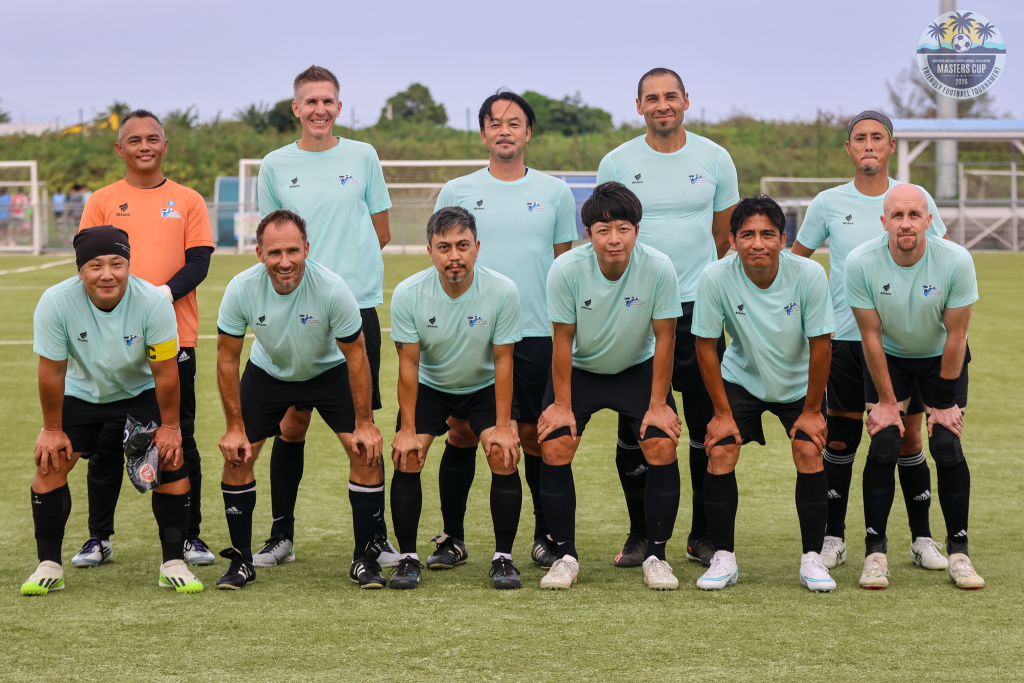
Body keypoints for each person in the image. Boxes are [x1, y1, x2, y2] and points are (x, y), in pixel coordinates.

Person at [792, 110, 949, 571]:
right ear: (848, 148)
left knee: (907, 437)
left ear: (891, 146)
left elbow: (942, 257)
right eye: (859, 138)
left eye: (877, 137)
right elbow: (796, 263)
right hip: (844, 339)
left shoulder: (915, 198)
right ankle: (833, 538)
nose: (868, 145)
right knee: (841, 439)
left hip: (904, 345)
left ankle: (922, 539)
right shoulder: (827, 202)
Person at [257, 65, 399, 567]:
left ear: (339, 106)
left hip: (355, 306)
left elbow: (381, 230)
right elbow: (271, 236)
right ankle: (281, 536)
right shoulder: (274, 164)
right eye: (311, 101)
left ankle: (376, 539)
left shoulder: (363, 156)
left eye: (328, 101)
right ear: (296, 108)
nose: (320, 109)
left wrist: (342, 279)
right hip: (294, 309)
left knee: (362, 428)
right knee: (291, 424)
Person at [596, 68, 738, 568]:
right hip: (637, 306)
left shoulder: (715, 158)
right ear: (638, 106)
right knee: (638, 426)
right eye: (652, 98)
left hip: (698, 308)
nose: (662, 105)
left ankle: (702, 535)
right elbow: (609, 231)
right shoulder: (617, 161)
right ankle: (641, 534)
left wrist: (696, 284)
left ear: (686, 101)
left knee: (704, 427)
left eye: (670, 96)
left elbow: (723, 235)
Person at [431, 90, 577, 570]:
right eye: (495, 123)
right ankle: (452, 538)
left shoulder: (555, 192)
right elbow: (443, 260)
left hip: (534, 333)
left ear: (528, 132)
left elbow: (563, 269)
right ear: (483, 133)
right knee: (461, 433)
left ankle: (544, 536)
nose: (504, 130)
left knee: (534, 436)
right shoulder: (456, 190)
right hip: (471, 333)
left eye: (514, 123)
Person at [22, 226, 202, 595]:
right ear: (80, 271)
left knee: (171, 460)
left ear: (128, 266)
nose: (107, 274)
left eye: (117, 264)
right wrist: (52, 430)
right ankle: (48, 565)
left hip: (139, 391)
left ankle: (173, 563)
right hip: (82, 393)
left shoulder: (153, 302)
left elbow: (165, 372)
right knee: (50, 463)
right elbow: (52, 371)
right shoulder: (55, 302)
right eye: (96, 265)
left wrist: (170, 427)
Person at [73, 109, 216, 569]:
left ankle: (190, 537)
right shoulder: (102, 200)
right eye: (134, 140)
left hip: (174, 336)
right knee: (106, 441)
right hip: (112, 341)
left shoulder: (188, 200)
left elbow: (199, 262)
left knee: (180, 438)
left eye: (152, 138)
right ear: (120, 149)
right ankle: (98, 538)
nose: (144, 146)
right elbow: (91, 266)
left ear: (165, 145)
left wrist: (157, 298)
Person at [214, 209, 385, 589]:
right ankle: (242, 560)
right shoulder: (241, 288)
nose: (285, 261)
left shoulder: (332, 288)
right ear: (259, 253)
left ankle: (365, 558)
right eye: (274, 252)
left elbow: (357, 355)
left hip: (328, 371)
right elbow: (227, 358)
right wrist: (234, 427)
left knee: (365, 450)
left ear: (306, 248)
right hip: (269, 372)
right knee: (238, 455)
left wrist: (364, 422)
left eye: (292, 250)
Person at [537, 182, 682, 591]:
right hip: (581, 370)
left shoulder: (659, 267)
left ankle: (657, 556)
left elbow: (666, 338)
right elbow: (562, 339)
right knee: (556, 443)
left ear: (637, 229)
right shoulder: (566, 269)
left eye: (623, 229)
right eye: (603, 230)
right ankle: (565, 556)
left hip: (636, 368)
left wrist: (658, 404)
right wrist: (561, 404)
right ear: (588, 234)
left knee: (661, 443)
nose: (614, 239)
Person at [692, 195, 836, 592]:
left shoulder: (809, 274)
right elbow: (705, 347)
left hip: (799, 384)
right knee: (720, 450)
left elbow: (821, 346)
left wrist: (812, 411)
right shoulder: (715, 277)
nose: (758, 243)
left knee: (809, 449)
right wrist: (722, 414)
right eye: (747, 235)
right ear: (732, 240)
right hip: (743, 378)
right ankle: (724, 557)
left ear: (783, 239)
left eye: (767, 234)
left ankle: (812, 558)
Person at [845, 183, 984, 590]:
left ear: (928, 220)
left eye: (914, 215)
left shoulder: (956, 259)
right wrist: (887, 403)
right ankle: (875, 553)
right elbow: (870, 336)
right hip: (889, 356)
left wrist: (944, 402)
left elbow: (957, 335)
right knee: (886, 440)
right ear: (884, 221)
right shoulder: (860, 261)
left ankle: (959, 553)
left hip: (942, 356)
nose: (906, 224)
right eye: (897, 216)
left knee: (946, 443)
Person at [389, 206, 524, 590]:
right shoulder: (408, 293)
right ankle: (408, 558)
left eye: (462, 245)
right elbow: (409, 366)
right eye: (444, 247)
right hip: (431, 386)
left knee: (502, 452)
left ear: (477, 247)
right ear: (429, 251)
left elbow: (504, 361)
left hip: (484, 387)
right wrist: (408, 429)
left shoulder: (502, 290)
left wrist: (503, 426)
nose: (454, 256)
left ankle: (503, 558)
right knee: (407, 455)